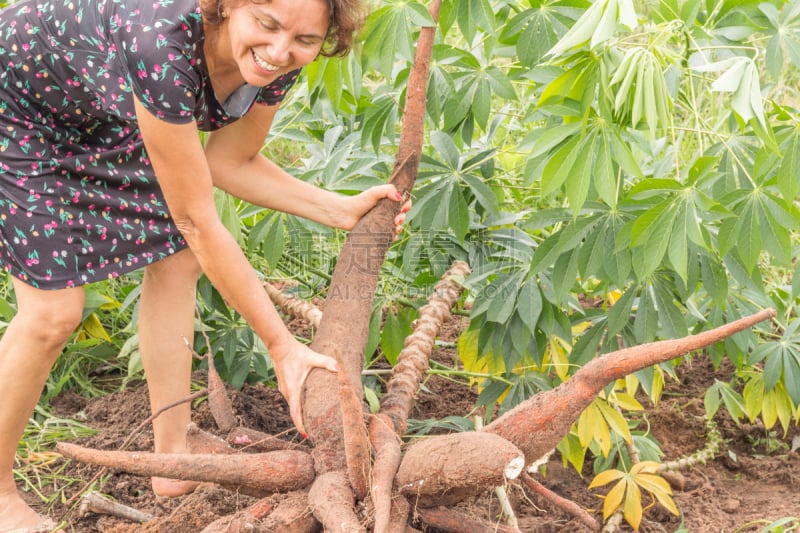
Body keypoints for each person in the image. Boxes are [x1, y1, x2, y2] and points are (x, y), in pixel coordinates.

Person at [0, 0, 409, 529]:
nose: (280, 50)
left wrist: (341, 210)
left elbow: (228, 160)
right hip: (18, 107)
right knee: (53, 313)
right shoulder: (161, 47)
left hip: (99, 107)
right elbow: (198, 218)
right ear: (229, 6)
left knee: (178, 258)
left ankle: (172, 453)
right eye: (267, 25)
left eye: (306, 41)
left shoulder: (274, 63)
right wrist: (283, 347)